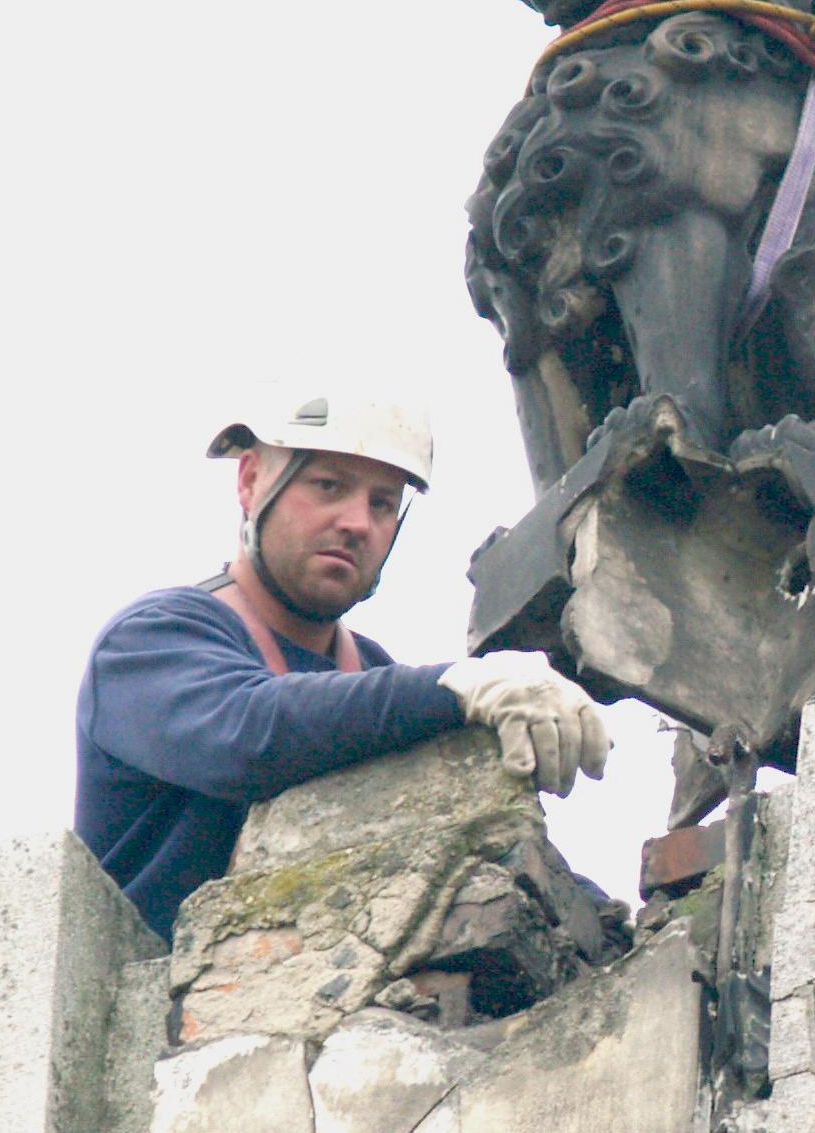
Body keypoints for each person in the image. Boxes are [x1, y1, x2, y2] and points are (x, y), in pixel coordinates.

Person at [75, 393, 612, 939]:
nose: (357, 523)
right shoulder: (150, 642)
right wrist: (457, 686)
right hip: (165, 1002)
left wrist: (607, 919)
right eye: (328, 486)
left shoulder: (372, 677)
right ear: (251, 480)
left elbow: (478, 831)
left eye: (382, 504)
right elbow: (253, 735)